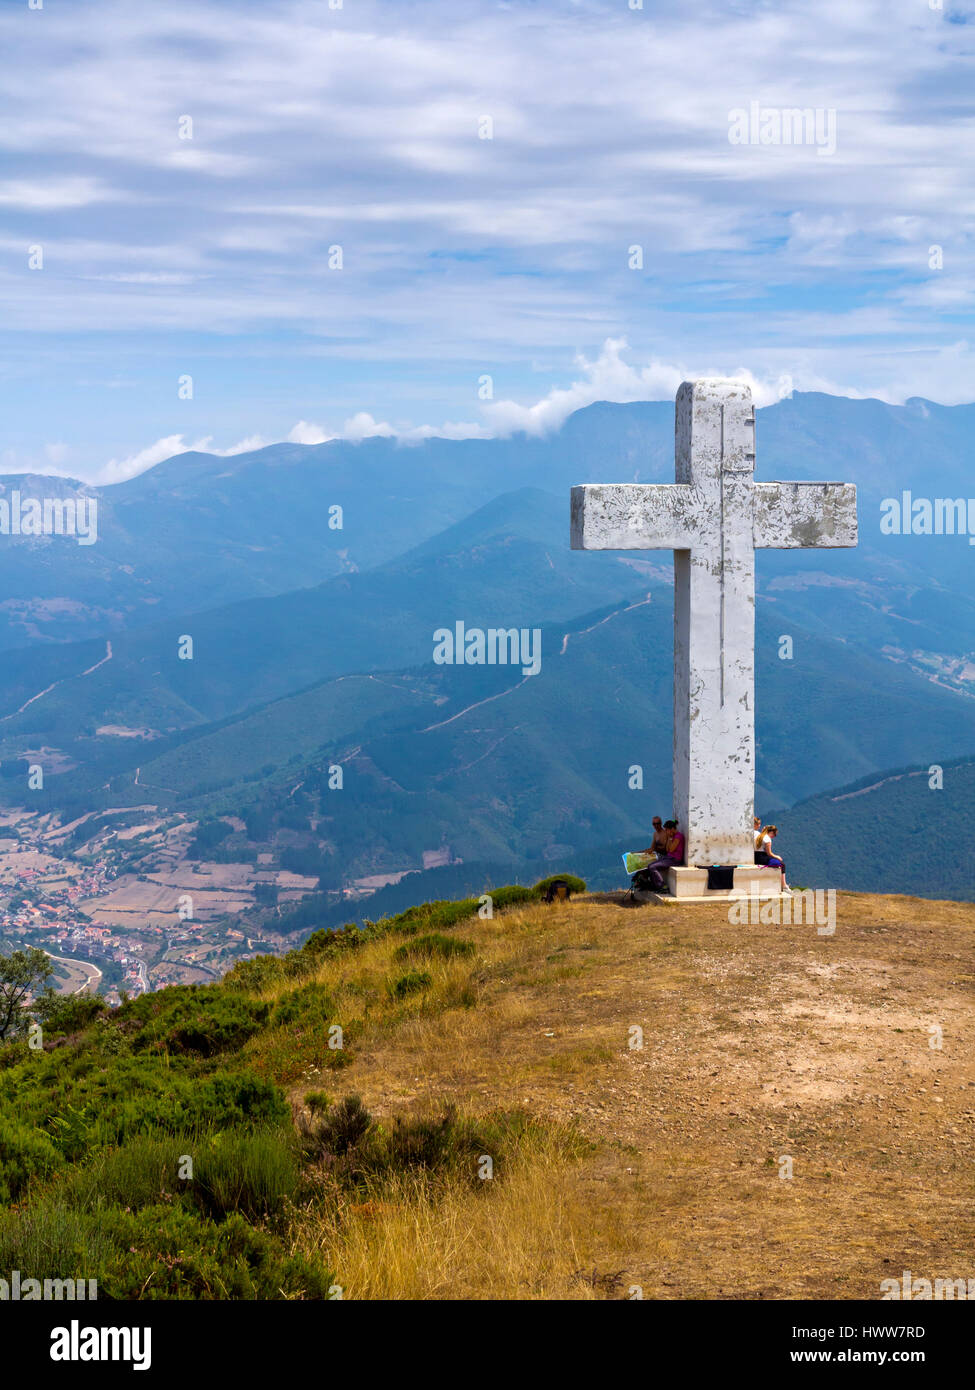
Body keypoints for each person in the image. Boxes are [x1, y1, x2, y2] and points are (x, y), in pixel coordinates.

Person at [758, 824, 790, 891]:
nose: (774, 836)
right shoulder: (767, 839)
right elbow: (769, 853)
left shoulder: (759, 836)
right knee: (782, 864)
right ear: (771, 832)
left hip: (755, 857)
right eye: (774, 835)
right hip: (762, 858)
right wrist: (777, 857)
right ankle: (784, 885)